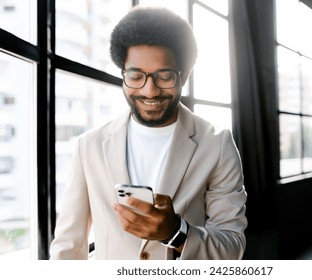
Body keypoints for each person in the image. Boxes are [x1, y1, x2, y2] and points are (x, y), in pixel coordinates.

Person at [49, 5, 247, 260]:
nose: (149, 91)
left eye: (164, 76)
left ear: (183, 75)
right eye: (136, 76)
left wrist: (176, 232)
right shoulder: (89, 146)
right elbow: (68, 247)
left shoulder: (217, 144)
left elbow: (232, 247)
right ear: (123, 75)